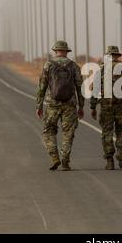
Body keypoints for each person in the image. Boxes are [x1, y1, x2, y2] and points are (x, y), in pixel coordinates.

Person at [36, 40, 84, 171]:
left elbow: (42, 87)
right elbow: (80, 88)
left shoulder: (48, 65)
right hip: (70, 104)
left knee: (48, 131)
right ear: (66, 51)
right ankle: (65, 160)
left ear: (55, 51)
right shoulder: (74, 66)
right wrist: (81, 107)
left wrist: (39, 106)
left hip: (52, 105)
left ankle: (54, 157)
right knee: (68, 133)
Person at [90, 46, 122, 170]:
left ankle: (110, 161)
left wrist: (93, 107)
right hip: (121, 105)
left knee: (107, 132)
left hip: (106, 106)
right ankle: (120, 152)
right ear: (117, 55)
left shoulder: (102, 68)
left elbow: (95, 89)